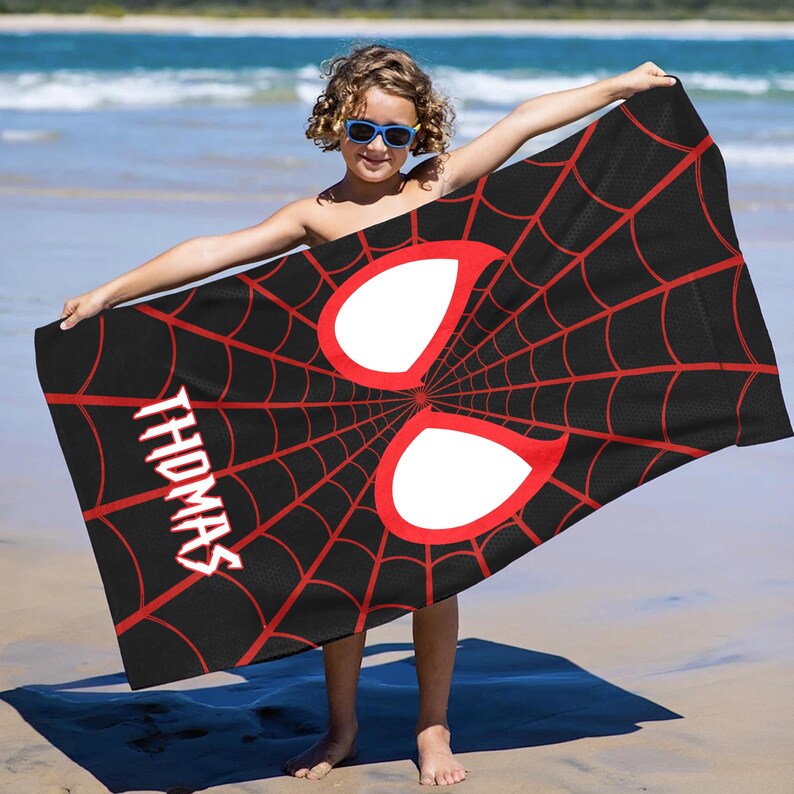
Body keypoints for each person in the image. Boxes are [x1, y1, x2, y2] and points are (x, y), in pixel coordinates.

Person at [58, 42, 675, 786]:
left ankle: (433, 728)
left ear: (418, 139)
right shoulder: (316, 216)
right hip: (353, 417)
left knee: (438, 578)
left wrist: (623, 85)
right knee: (347, 581)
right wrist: (111, 293)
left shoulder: (433, 188)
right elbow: (216, 250)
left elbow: (521, 125)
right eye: (363, 130)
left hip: (443, 404)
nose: (379, 147)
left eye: (397, 135)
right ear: (335, 124)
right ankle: (342, 727)